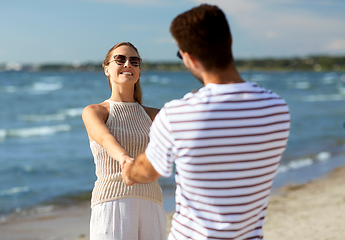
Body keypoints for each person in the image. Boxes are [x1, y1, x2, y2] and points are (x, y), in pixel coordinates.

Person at [122, 4, 290, 240]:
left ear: (188, 57)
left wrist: (129, 171)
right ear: (230, 41)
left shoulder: (177, 114)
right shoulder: (276, 108)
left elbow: (148, 171)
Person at [82, 42, 167, 240]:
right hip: (112, 202)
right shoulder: (96, 111)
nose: (128, 64)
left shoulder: (155, 115)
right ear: (107, 69)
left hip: (152, 201)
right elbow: (104, 137)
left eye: (134, 61)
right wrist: (124, 158)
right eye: (120, 59)